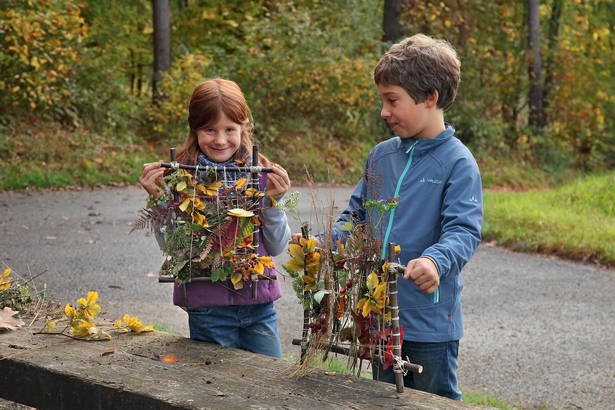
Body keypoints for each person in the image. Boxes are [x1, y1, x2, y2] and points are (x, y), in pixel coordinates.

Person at [306, 34, 483, 398]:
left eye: (392, 100)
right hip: (380, 315)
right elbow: (355, 217)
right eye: (382, 100)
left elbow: (463, 230)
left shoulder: (458, 163)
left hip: (430, 323)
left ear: (430, 97)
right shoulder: (381, 156)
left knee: (436, 401)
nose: (384, 111)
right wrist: (321, 245)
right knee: (384, 398)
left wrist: (436, 261)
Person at [139, 78, 292, 358]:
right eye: (210, 129)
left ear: (243, 127)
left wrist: (273, 203)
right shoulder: (181, 177)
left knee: (270, 387)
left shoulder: (261, 174)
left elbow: (278, 245)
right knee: (217, 391)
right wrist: (160, 202)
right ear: (194, 128)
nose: (220, 140)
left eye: (229, 129)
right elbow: (174, 248)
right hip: (207, 307)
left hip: (259, 303)